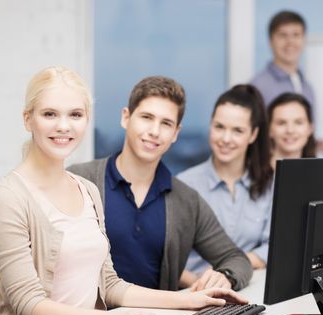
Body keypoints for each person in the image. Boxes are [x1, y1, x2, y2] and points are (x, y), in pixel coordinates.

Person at [0, 67, 247, 315]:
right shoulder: (10, 196)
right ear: (28, 119)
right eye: (50, 114)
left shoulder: (85, 189)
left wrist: (189, 300)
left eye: (75, 114)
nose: (63, 126)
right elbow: (27, 303)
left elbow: (109, 284)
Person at [68, 76, 252, 292]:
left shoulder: (186, 200)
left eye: (166, 123)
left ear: (176, 133)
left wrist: (225, 276)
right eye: (146, 117)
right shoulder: (80, 179)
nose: (154, 131)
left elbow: (236, 259)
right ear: (126, 118)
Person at [177, 84, 274, 290]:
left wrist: (231, 270)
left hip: (250, 288)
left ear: (253, 135)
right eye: (219, 127)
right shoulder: (184, 185)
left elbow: (274, 246)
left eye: (238, 130)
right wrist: (203, 285)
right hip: (194, 293)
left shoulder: (268, 184)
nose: (226, 139)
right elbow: (165, 261)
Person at [268, 92, 323, 254]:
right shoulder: (256, 177)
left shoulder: (318, 178)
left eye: (298, 122)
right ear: (270, 129)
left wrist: (311, 251)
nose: (290, 130)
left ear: (310, 128)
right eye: (281, 123)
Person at [251, 10, 323, 156]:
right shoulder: (258, 87)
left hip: (303, 170)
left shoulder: (307, 87)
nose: (290, 42)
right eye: (283, 35)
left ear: (304, 39)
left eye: (296, 35)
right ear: (271, 41)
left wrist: (315, 144)